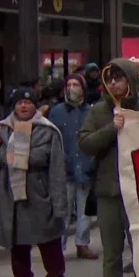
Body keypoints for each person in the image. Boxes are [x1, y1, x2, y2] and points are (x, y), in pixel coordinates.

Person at [78, 58, 139, 277]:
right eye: (109, 79)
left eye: (119, 78)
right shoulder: (99, 111)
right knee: (111, 252)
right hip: (107, 192)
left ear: (130, 80)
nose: (113, 83)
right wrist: (113, 128)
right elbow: (85, 143)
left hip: (138, 193)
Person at [0, 88, 67, 277]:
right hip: (11, 195)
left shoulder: (48, 131)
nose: (23, 106)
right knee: (18, 243)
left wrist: (58, 203)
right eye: (19, 102)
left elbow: (56, 168)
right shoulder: (2, 129)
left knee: (48, 240)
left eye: (28, 103)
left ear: (35, 106)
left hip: (39, 194)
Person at [47, 73, 98, 260]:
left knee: (85, 210)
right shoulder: (56, 112)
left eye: (76, 84)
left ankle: (82, 243)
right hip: (63, 169)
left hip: (85, 166)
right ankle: (58, 247)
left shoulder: (90, 112)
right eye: (69, 84)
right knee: (63, 210)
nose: (71, 88)